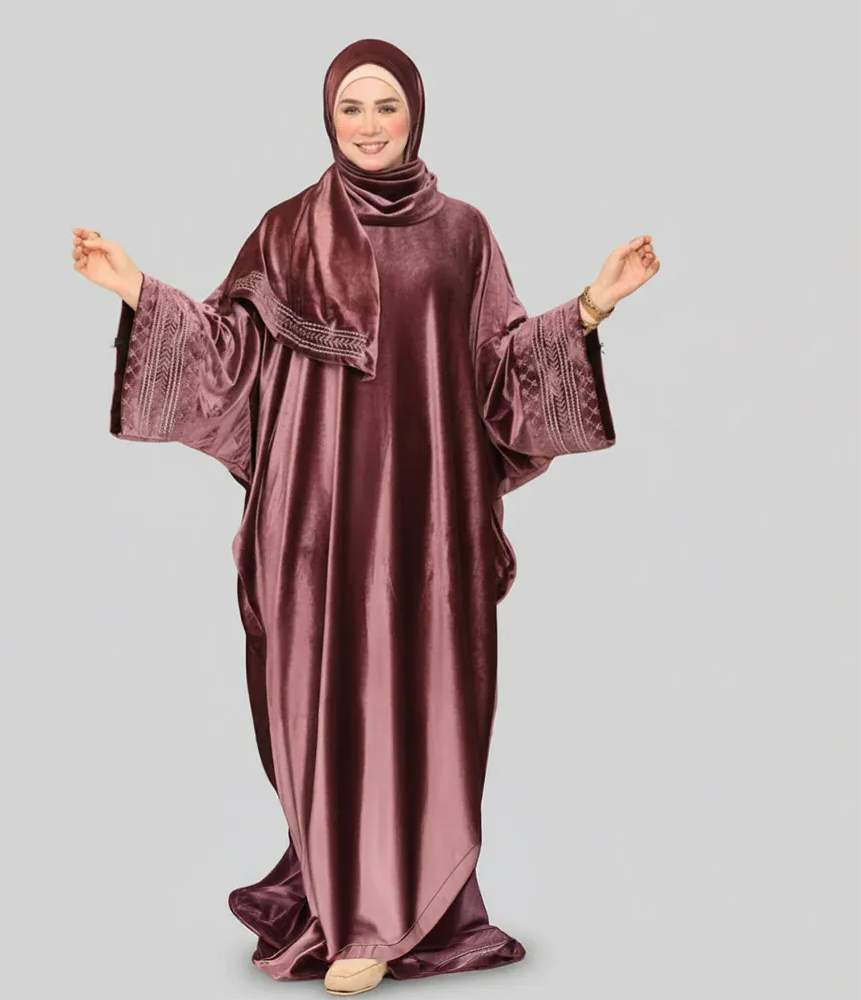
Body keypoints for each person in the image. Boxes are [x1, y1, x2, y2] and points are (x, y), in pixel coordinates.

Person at [71, 37, 659, 996]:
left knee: (423, 701)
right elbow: (225, 358)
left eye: (387, 105)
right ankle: (346, 902)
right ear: (327, 116)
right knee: (321, 703)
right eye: (352, 106)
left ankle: (381, 922)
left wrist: (593, 305)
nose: (370, 125)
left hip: (428, 522)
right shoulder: (286, 231)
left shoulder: (463, 233)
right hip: (312, 518)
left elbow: (503, 370)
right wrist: (137, 288)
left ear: (416, 113)